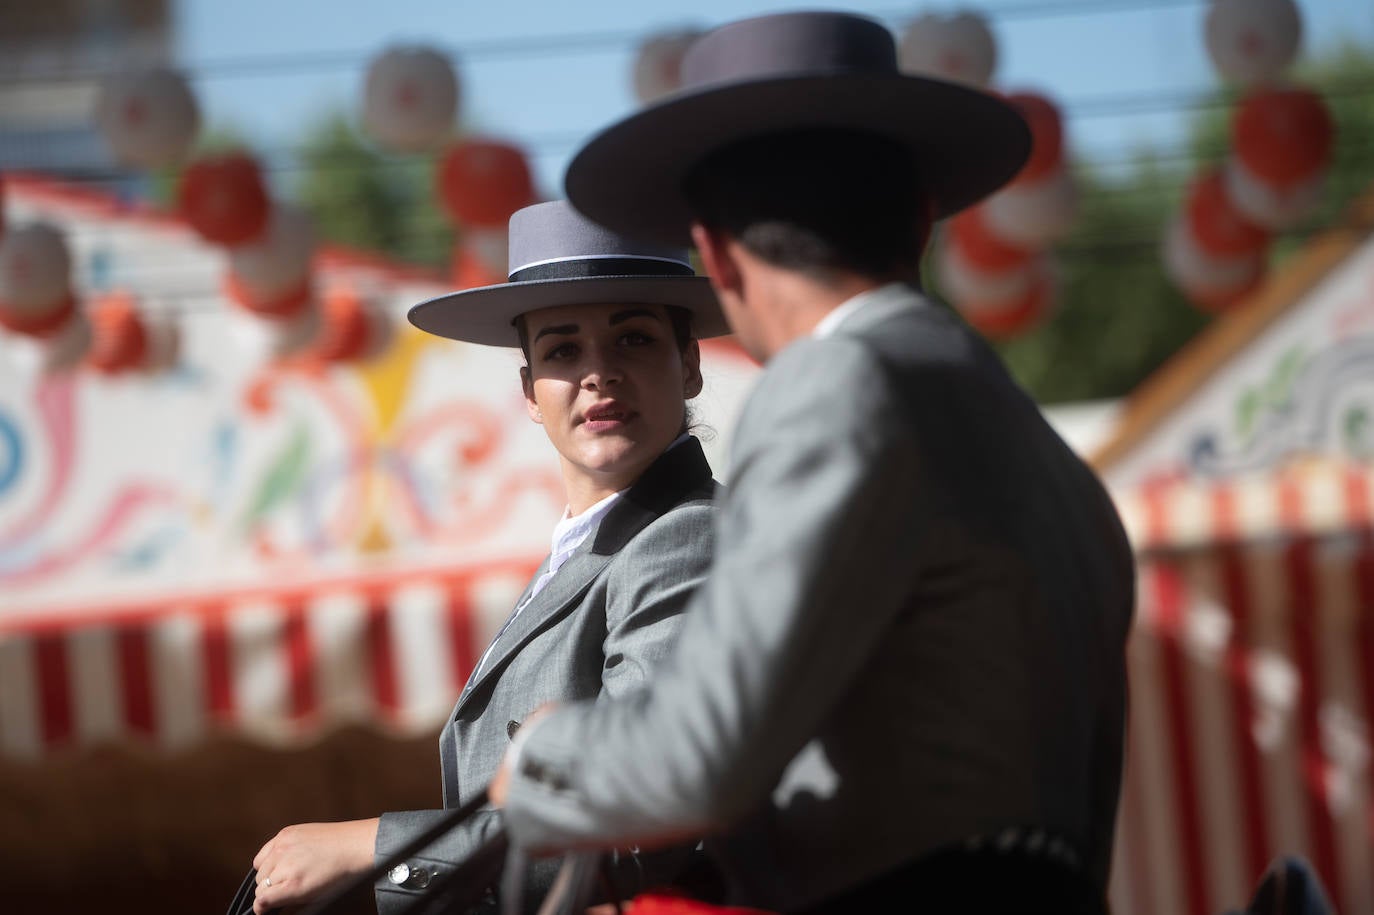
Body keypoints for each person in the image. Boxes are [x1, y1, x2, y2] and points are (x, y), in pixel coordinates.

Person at [491, 12, 1136, 915]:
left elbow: (707, 753)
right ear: (919, 215)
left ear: (713, 252)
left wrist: (545, 756)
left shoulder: (836, 382)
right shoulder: (1044, 451)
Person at [249, 200, 732, 915]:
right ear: (529, 390)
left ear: (688, 364)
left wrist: (372, 847)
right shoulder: (593, 546)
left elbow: (642, 816)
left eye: (631, 339)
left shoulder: (681, 538)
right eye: (563, 350)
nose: (598, 373)